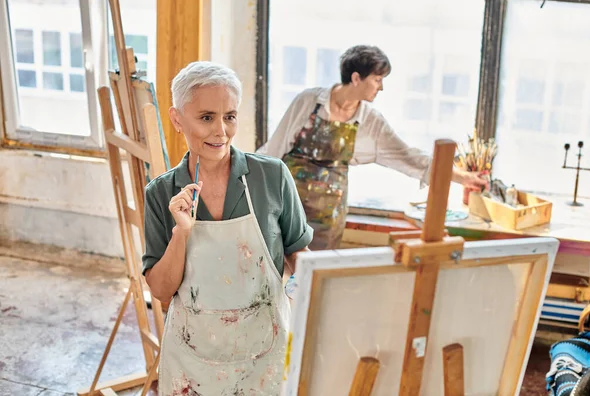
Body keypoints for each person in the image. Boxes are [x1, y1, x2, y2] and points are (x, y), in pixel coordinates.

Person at [142, 61, 313, 395]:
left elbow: (298, 253)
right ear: (178, 119)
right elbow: (162, 291)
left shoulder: (272, 177)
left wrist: (307, 286)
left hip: (266, 354)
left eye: (229, 116)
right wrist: (181, 232)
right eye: (206, 117)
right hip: (193, 361)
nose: (221, 130)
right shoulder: (162, 192)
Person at [258, 45, 488, 251]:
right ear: (357, 78)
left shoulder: (370, 121)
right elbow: (273, 151)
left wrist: (462, 177)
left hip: (327, 220)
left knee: (309, 284)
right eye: (377, 80)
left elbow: (408, 156)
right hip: (287, 208)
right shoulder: (308, 101)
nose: (381, 87)